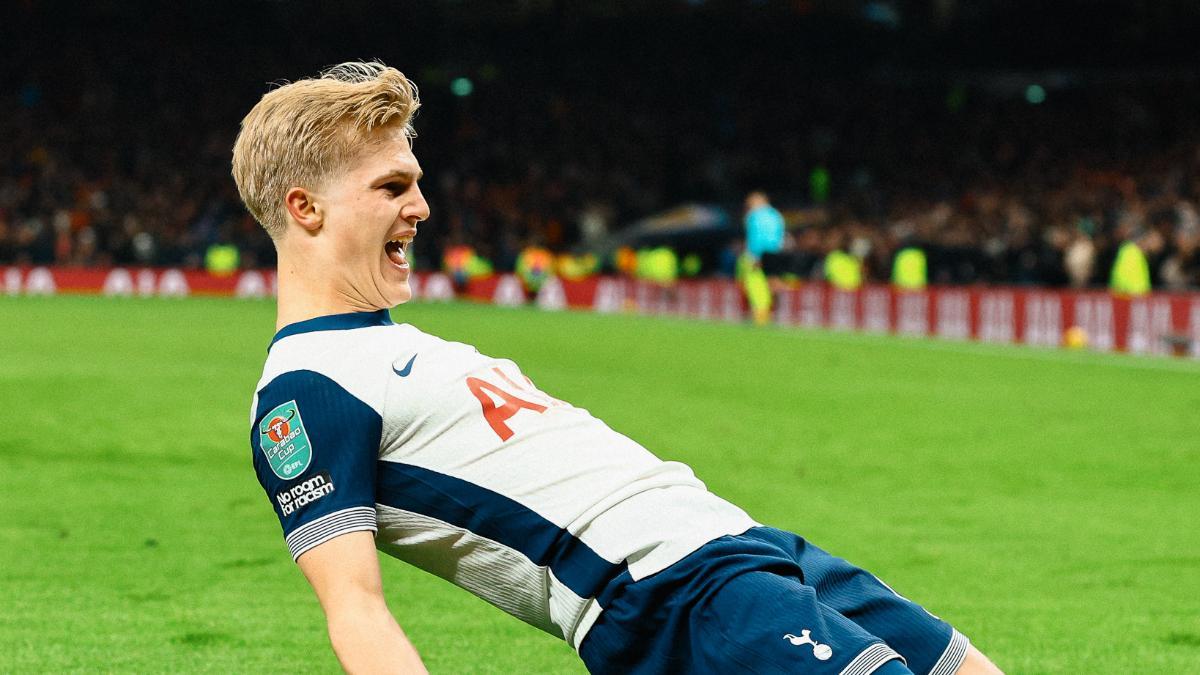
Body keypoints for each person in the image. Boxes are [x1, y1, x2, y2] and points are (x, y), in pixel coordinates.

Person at [232, 61, 1003, 675]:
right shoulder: (303, 396)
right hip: (671, 594)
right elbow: (356, 610)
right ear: (306, 209)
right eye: (393, 186)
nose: (424, 206)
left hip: (742, 543)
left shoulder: (390, 344)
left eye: (419, 182)